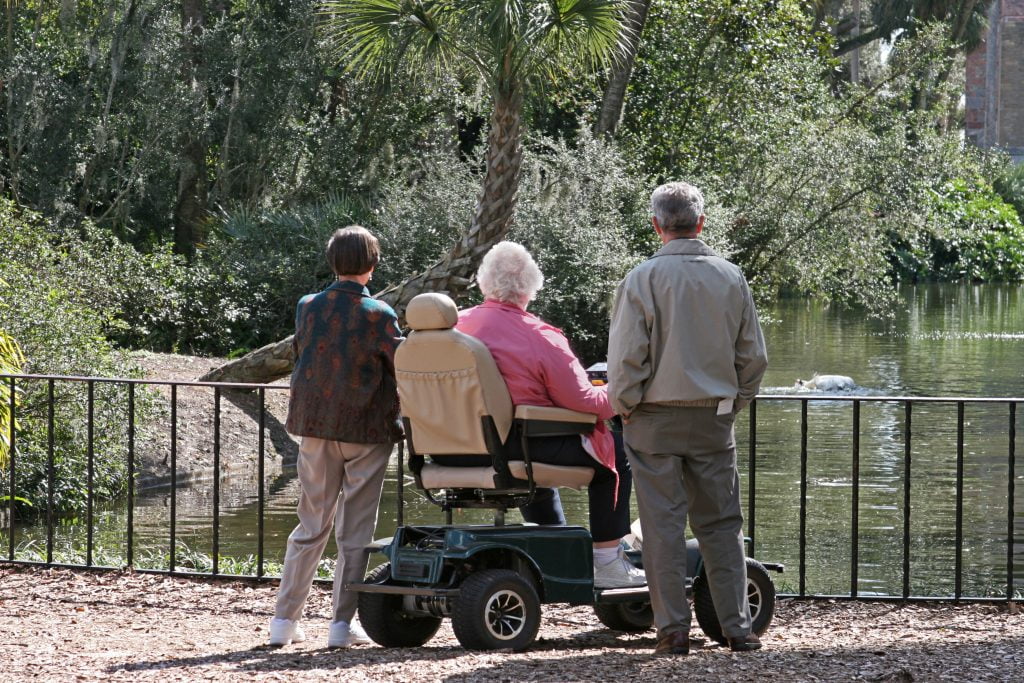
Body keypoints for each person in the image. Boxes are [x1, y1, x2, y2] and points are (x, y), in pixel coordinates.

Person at [607, 182, 768, 655]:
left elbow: (626, 361)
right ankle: (738, 628)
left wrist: (627, 405)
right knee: (721, 525)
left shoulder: (641, 279)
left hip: (653, 419)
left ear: (657, 226)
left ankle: (672, 630)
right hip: (713, 417)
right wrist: (732, 404)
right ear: (701, 223)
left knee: (662, 527)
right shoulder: (730, 276)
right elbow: (752, 358)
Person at [455, 241, 645, 589]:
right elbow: (588, 402)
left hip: (450, 450)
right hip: (511, 447)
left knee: (537, 445)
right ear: (531, 288)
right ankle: (607, 561)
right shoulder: (540, 336)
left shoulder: (451, 329)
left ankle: (553, 542)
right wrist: (621, 389)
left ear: (483, 283)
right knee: (615, 454)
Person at [267, 226, 403, 648]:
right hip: (366, 430)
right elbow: (401, 366)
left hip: (315, 427)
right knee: (355, 532)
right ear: (372, 264)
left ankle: (283, 622)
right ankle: (341, 626)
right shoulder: (380, 313)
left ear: (332, 263)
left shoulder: (308, 306)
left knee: (310, 525)